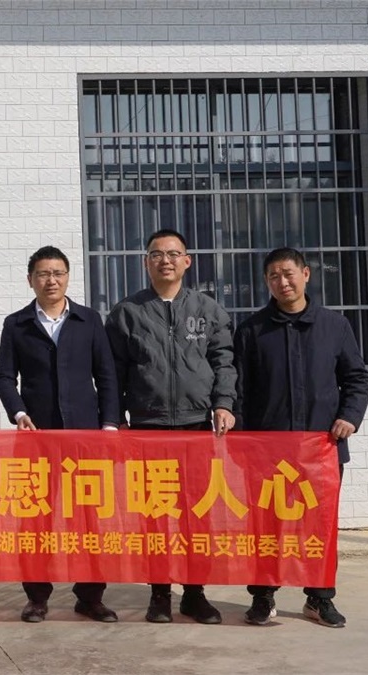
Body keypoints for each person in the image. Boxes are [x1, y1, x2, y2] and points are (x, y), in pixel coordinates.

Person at [104, 228, 236, 625]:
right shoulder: (127, 312)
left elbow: (224, 362)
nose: (166, 260)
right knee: (155, 515)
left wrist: (224, 403)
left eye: (173, 254)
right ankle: (159, 594)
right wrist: (116, 419)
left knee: (198, 514)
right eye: (157, 254)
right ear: (146, 262)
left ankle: (195, 594)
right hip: (149, 427)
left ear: (187, 261)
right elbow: (113, 373)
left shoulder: (207, 310)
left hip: (197, 428)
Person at [234, 247, 368, 628]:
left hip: (321, 451)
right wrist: (241, 444)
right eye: (274, 276)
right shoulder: (252, 330)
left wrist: (349, 417)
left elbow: (356, 378)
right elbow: (240, 390)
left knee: (319, 525)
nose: (283, 282)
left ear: (306, 274)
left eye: (288, 273)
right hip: (266, 452)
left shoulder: (334, 326)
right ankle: (263, 596)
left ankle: (319, 598)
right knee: (266, 526)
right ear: (266, 282)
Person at [0, 246, 121, 624]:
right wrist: (19, 412)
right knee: (36, 519)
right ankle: (37, 597)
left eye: (58, 273)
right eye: (43, 274)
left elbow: (107, 375)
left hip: (85, 437)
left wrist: (109, 424)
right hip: (37, 437)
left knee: (89, 519)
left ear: (67, 277)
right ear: (30, 279)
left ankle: (90, 596)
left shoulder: (88, 320)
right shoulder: (17, 324)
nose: (51, 280)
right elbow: (5, 377)